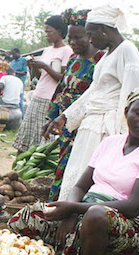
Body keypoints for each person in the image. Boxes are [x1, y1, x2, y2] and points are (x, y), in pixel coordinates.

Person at [9, 88, 139, 255]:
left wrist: (75, 208)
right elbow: (80, 186)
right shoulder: (110, 143)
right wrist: (71, 212)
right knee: (29, 214)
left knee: (95, 215)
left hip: (130, 225)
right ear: (126, 112)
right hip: (87, 209)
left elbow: (134, 206)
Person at [43, 5, 139, 201]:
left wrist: (127, 135)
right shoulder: (108, 56)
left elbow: (135, 95)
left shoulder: (127, 50)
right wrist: (64, 117)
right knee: (78, 177)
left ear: (105, 30)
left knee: (96, 182)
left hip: (107, 129)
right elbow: (93, 93)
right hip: (91, 126)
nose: (90, 39)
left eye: (91, 33)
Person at [41, 9, 104, 201]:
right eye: (71, 37)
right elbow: (61, 88)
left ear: (91, 36)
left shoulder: (100, 60)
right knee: (63, 167)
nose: (73, 42)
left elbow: (97, 95)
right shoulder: (73, 59)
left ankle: (69, 208)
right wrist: (51, 118)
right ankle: (56, 205)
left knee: (77, 169)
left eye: (79, 37)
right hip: (65, 125)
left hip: (85, 127)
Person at [12, 15, 72, 153]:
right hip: (38, 95)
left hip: (50, 99)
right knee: (29, 131)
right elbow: (41, 78)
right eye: (45, 32)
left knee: (44, 134)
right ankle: (22, 165)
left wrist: (45, 66)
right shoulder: (47, 50)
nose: (47, 35)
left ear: (60, 31)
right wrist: (34, 67)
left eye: (49, 31)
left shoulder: (66, 51)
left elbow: (62, 79)